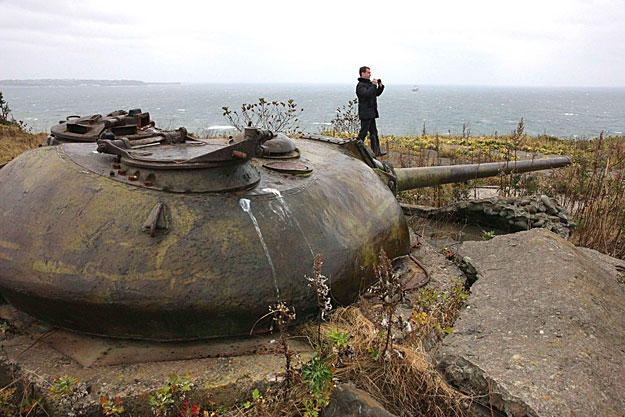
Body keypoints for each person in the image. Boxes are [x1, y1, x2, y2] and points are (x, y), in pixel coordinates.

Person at [356, 66, 386, 156]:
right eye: (368, 72)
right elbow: (367, 94)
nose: (370, 74)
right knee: (363, 133)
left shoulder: (368, 84)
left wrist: (380, 87)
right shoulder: (360, 85)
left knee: (374, 133)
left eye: (370, 72)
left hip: (371, 112)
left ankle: (377, 152)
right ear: (363, 73)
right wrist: (373, 85)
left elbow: (375, 93)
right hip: (365, 113)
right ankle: (356, 149)